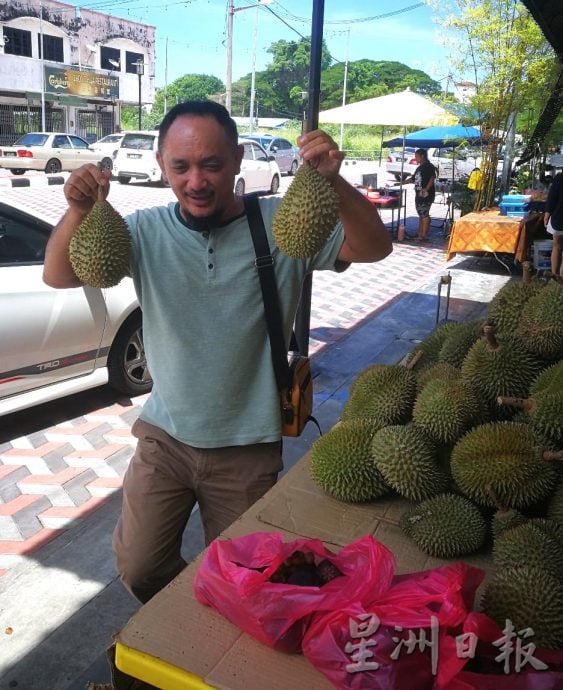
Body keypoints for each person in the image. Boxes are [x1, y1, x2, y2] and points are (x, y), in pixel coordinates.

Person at [42, 100, 392, 603]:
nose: (196, 181)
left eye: (211, 164)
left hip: (247, 446)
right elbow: (59, 275)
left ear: (237, 160)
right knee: (139, 566)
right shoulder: (144, 231)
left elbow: (375, 246)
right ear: (161, 165)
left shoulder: (281, 224)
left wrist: (333, 183)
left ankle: (213, 624)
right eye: (181, 166)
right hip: (166, 438)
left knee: (246, 582)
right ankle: (185, 619)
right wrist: (79, 211)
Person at [409, 148, 437, 242]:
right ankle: (420, 233)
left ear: (422, 156)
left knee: (424, 214)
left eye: (416, 156)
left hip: (426, 195)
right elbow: (412, 179)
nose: (415, 158)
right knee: (421, 214)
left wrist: (426, 189)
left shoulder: (428, 166)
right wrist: (400, 183)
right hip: (418, 194)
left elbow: (432, 177)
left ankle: (424, 236)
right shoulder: (419, 167)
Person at [544, 171, 563, 277]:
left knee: (557, 247)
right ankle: (560, 279)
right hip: (558, 218)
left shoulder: (559, 178)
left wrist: (547, 214)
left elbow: (551, 198)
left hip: (558, 218)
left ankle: (555, 276)